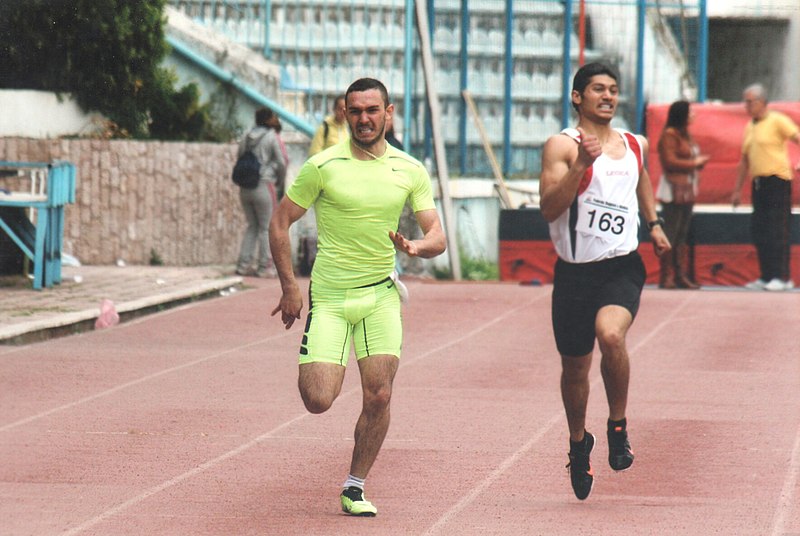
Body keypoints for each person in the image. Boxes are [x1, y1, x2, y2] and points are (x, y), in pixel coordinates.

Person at [269, 78, 446, 516]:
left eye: (372, 110)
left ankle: (354, 486)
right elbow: (279, 223)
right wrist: (290, 287)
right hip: (329, 296)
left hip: (380, 296)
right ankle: (323, 362)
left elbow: (437, 235)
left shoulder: (409, 169)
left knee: (380, 395)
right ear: (344, 114)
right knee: (318, 400)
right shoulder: (322, 166)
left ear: (388, 113)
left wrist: (417, 248)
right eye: (355, 111)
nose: (364, 119)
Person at [538, 62, 671, 501]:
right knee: (574, 369)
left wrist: (653, 223)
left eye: (613, 89)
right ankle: (579, 443)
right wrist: (580, 166)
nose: (608, 96)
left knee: (611, 335)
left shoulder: (635, 142)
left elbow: (643, 180)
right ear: (578, 97)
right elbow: (549, 208)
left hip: (621, 265)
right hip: (574, 273)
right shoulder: (561, 145)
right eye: (598, 89)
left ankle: (617, 425)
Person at [731, 83, 800, 292]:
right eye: (746, 102)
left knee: (777, 230)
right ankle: (766, 275)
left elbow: (797, 137)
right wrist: (736, 189)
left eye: (750, 102)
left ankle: (781, 276)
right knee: (760, 229)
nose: (747, 106)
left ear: (762, 102)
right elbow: (744, 159)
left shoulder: (777, 120)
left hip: (777, 181)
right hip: (759, 183)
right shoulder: (750, 126)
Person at [656, 100, 709, 289]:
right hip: (674, 189)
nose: (693, 115)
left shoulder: (685, 135)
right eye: (690, 112)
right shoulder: (670, 136)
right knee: (671, 232)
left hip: (687, 188)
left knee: (682, 234)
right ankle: (667, 276)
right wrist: (695, 163)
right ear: (682, 115)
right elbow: (669, 161)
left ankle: (679, 274)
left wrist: (696, 162)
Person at [235, 106, 287, 277]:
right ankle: (264, 267)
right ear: (269, 119)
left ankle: (243, 265)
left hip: (246, 187)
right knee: (266, 227)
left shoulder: (246, 136)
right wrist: (279, 181)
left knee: (252, 226)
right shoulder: (273, 137)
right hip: (265, 185)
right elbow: (282, 162)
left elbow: (239, 156)